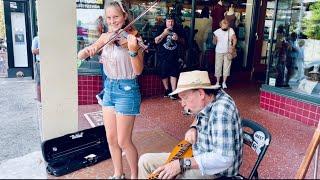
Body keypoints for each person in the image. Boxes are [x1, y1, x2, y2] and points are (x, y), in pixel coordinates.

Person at [77, 0, 144, 179]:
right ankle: (118, 173)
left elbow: (138, 70)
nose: (112, 21)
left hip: (127, 90)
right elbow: (90, 49)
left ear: (124, 17)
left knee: (123, 140)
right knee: (111, 138)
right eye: (109, 18)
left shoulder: (133, 38)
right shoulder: (105, 37)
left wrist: (132, 50)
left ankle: (134, 176)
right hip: (109, 89)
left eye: (116, 17)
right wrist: (84, 52)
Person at [138, 70, 243, 179]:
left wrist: (182, 164)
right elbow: (200, 114)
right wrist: (193, 127)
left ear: (201, 93)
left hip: (217, 172)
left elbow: (224, 159)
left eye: (185, 97)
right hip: (197, 155)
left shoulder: (221, 111)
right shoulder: (210, 97)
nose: (183, 103)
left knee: (172, 176)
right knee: (145, 161)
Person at [154, 14, 182, 100]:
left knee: (174, 73)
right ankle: (167, 90)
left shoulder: (178, 29)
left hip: (174, 55)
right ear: (165, 22)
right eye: (169, 21)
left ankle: (173, 92)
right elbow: (156, 41)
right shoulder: (160, 29)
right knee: (164, 74)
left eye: (172, 21)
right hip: (163, 55)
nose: (171, 23)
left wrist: (178, 39)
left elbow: (185, 42)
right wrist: (164, 34)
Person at [213, 19, 237, 89]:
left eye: (226, 26)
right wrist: (214, 39)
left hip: (228, 51)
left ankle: (224, 82)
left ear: (228, 25)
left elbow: (234, 39)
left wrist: (232, 47)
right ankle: (217, 82)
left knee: (227, 67)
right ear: (221, 25)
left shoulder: (231, 30)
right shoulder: (217, 31)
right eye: (223, 26)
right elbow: (214, 42)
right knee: (218, 66)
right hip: (218, 51)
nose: (225, 28)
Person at [31, 34, 41, 101]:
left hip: (50, 62)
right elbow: (33, 51)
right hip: (39, 63)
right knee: (38, 82)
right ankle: (40, 99)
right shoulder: (36, 39)